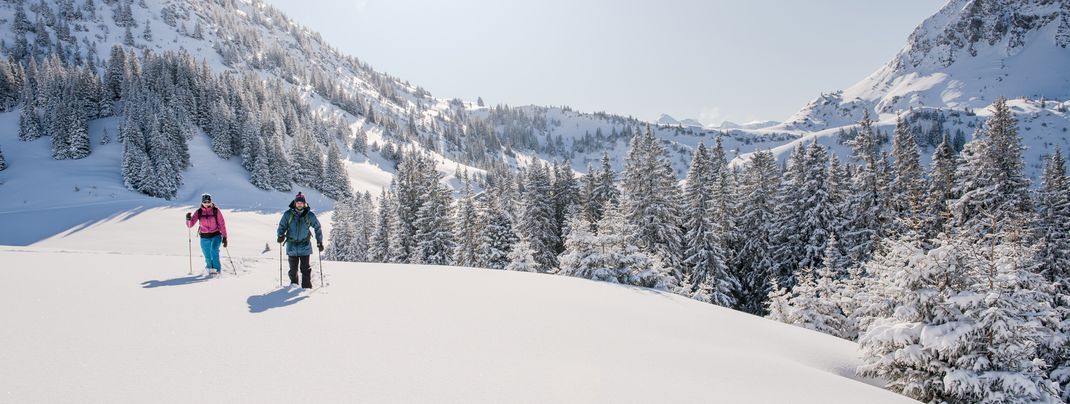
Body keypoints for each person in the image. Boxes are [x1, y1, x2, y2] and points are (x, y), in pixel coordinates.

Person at [277, 192, 323, 289]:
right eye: (298, 202)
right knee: (293, 270)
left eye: (301, 203)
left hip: (305, 245)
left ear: (304, 203)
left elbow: (317, 227)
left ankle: (306, 288)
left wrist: (319, 242)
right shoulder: (288, 214)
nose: (299, 204)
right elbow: (282, 226)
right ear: (295, 203)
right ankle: (293, 286)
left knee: (305, 269)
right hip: (291, 245)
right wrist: (280, 235)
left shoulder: (309, 215)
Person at [186, 193, 228, 275]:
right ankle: (209, 270)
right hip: (204, 237)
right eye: (205, 202)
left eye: (208, 201)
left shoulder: (216, 211)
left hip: (216, 235)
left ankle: (217, 271)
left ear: (211, 201)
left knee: (214, 250)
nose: (206, 203)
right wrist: (188, 219)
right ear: (202, 202)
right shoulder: (199, 212)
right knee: (207, 256)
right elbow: (190, 225)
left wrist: (225, 237)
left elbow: (222, 224)